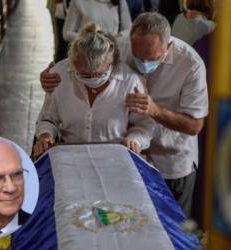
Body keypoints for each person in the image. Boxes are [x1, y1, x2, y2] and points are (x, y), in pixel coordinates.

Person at [39, 12, 208, 217]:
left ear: (168, 48)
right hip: (124, 163)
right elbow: (88, 51)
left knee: (170, 224)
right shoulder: (118, 46)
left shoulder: (191, 64)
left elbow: (195, 126)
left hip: (170, 157)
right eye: (137, 57)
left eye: (151, 59)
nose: (143, 64)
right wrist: (48, 79)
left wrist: (153, 111)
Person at [33, 23, 153, 159]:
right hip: (71, 155)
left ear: (111, 64)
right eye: (84, 75)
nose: (92, 80)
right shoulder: (59, 75)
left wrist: (135, 139)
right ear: (72, 64)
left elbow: (144, 125)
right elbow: (48, 119)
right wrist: (46, 135)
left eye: (99, 74)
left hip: (114, 156)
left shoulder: (130, 82)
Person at [63, 0, 132, 43]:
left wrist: (118, 37)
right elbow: (67, 33)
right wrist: (89, 39)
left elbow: (128, 29)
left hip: (111, 54)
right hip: (86, 53)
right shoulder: (79, 1)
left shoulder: (120, 1)